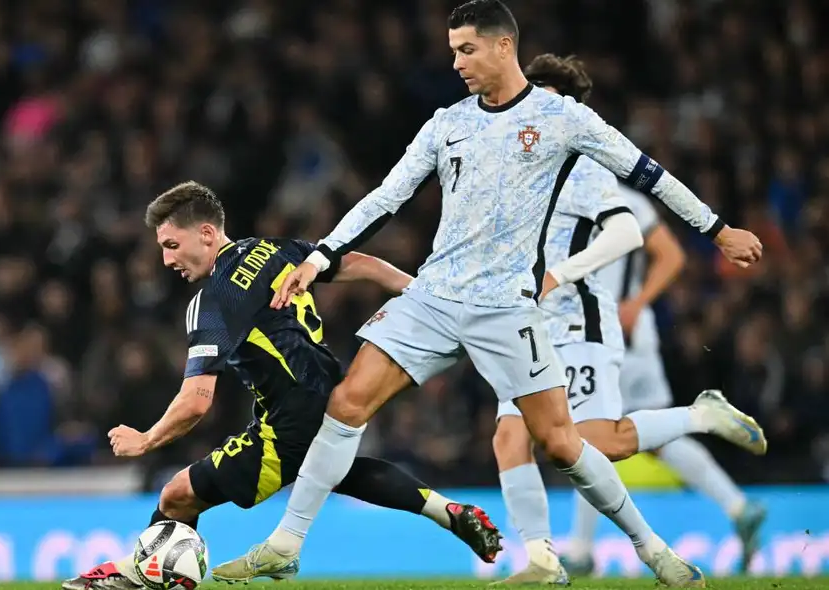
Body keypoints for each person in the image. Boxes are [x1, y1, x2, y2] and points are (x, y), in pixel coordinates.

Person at [211, 1, 763, 587]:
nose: (456, 62)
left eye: (466, 49)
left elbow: (646, 172)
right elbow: (386, 196)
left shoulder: (563, 119)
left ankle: (656, 553)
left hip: (507, 309)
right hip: (434, 297)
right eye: (452, 51)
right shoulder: (448, 123)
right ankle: (286, 544)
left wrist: (718, 229)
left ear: (504, 46)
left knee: (562, 444)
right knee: (347, 404)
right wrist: (321, 255)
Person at [62, 181, 503, 590]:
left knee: (177, 496)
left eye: (172, 245)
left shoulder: (213, 301)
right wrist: (422, 294)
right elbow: (362, 264)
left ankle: (142, 575)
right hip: (334, 395)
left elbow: (197, 402)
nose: (166, 260)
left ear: (207, 234)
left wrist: (146, 440)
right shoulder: (270, 250)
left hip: (287, 423)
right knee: (338, 471)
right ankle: (450, 513)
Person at [490, 54, 767, 585]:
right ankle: (545, 561)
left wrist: (595, 287)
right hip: (528, 325)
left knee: (598, 445)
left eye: (543, 98)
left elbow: (646, 237)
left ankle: (699, 418)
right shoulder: (514, 167)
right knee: (510, 438)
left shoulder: (592, 171)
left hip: (583, 324)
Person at [559, 188, 768, 577]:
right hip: (636, 336)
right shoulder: (632, 202)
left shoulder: (571, 200)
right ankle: (738, 505)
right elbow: (672, 255)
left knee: (585, 438)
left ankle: (584, 550)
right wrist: (639, 304)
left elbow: (671, 256)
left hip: (599, 337)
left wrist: (633, 304)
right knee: (656, 440)